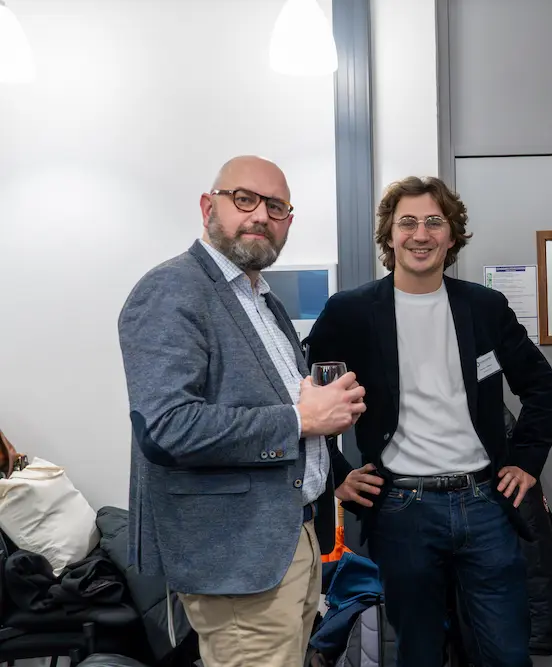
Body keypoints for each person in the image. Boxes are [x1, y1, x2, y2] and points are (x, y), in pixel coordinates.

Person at [118, 156, 366, 667]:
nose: (260, 216)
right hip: (237, 557)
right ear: (208, 206)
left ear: (289, 221)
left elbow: (282, 406)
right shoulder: (172, 289)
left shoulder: (262, 300)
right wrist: (303, 419)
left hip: (291, 538)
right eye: (244, 199)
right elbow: (167, 429)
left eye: (276, 207)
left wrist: (327, 416)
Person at [304, 176, 552, 667]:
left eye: (434, 222)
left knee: (507, 654)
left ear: (451, 234)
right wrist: (337, 476)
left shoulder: (484, 308)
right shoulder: (350, 312)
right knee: (418, 653)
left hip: (485, 505)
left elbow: (541, 386)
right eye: (408, 222)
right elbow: (307, 397)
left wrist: (527, 461)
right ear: (389, 234)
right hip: (402, 510)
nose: (420, 234)